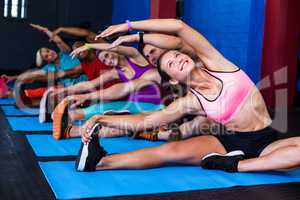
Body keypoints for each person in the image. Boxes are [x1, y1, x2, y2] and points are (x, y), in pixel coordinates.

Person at [74, 19, 300, 173]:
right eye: (171, 63)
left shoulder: (218, 64)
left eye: (176, 55)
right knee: (169, 151)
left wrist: (130, 28)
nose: (178, 58)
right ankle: (101, 162)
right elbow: (147, 120)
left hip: (265, 141)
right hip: (229, 140)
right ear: (172, 79)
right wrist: (100, 118)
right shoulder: (191, 101)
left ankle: (236, 165)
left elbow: (179, 27)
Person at [52, 42, 164, 140]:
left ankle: (72, 131)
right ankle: (65, 118)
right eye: (104, 60)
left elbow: (115, 47)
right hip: (132, 104)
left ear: (112, 49)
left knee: (119, 125)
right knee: (98, 108)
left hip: (154, 105)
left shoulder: (136, 57)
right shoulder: (115, 72)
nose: (107, 60)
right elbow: (90, 84)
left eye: (106, 55)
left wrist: (88, 45)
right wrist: (65, 90)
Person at [13, 24, 87, 108]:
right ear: (46, 61)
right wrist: (12, 78)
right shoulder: (49, 68)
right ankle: (28, 102)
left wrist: (45, 30)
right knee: (52, 93)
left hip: (86, 85)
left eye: (48, 51)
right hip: (69, 90)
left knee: (56, 95)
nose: (50, 54)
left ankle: (33, 103)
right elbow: (32, 75)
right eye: (46, 56)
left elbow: (58, 41)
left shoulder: (66, 53)